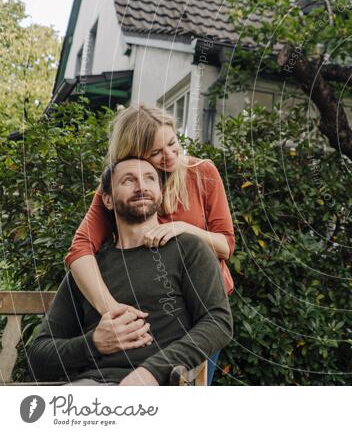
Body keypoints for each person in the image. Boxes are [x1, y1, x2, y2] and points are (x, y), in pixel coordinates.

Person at [65, 104, 235, 383]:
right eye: (156, 152)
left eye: (172, 143)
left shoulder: (202, 173)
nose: (169, 156)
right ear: (133, 154)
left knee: (188, 389)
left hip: (201, 310)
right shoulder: (121, 189)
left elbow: (226, 245)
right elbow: (80, 248)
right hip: (148, 310)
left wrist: (182, 228)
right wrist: (113, 312)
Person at [29, 157, 233, 385]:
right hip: (90, 389)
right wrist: (93, 344)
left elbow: (218, 322)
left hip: (160, 386)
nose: (141, 186)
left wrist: (152, 371)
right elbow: (38, 355)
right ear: (107, 199)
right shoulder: (90, 270)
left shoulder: (188, 248)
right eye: (128, 180)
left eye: (149, 179)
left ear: (161, 193)